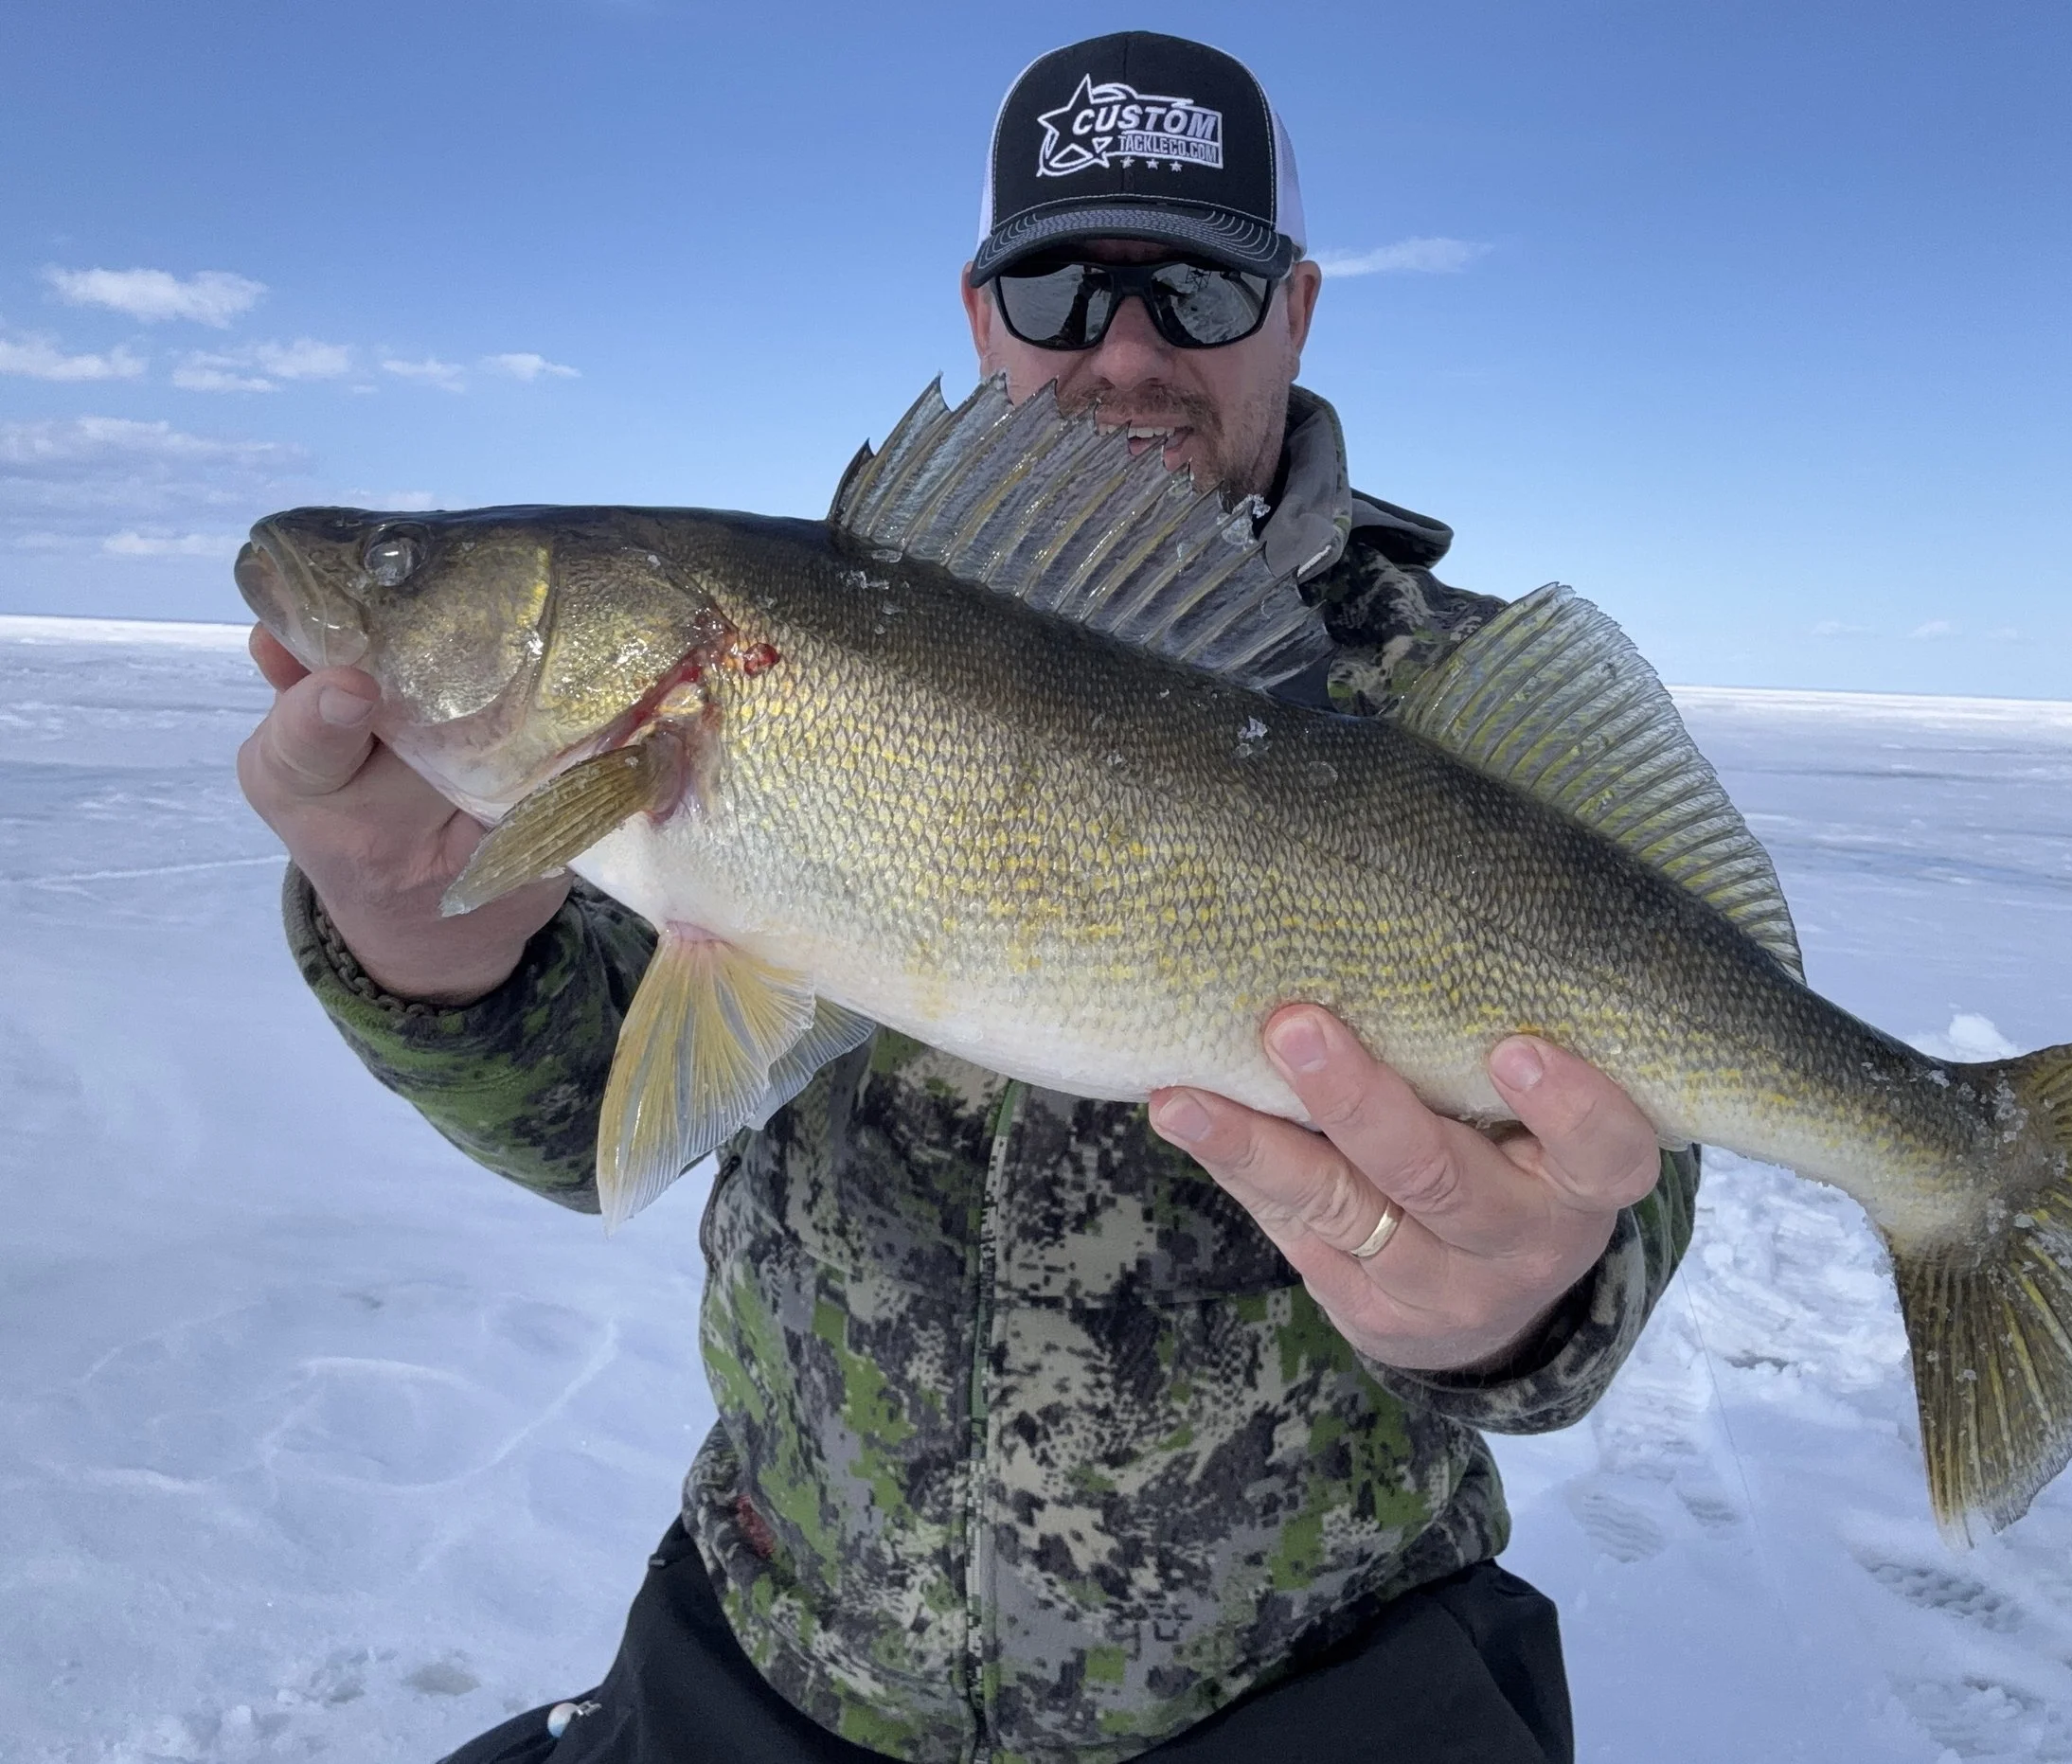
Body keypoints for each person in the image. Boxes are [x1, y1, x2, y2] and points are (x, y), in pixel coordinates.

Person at [237, 31, 1693, 1764]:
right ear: (980, 310)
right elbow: (599, 1120)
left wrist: (1529, 1299)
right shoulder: (777, 663)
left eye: (1201, 289)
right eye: (1061, 286)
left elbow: (1665, 1120)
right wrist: (419, 930)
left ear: (1297, 310)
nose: (1127, 351)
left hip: (1329, 1690)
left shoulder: (1461, 710)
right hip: (783, 1671)